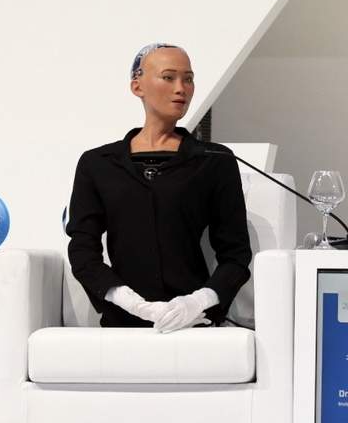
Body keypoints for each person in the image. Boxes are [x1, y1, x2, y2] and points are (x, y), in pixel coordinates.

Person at [65, 43, 251, 332]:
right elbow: (82, 250)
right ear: (137, 86)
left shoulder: (214, 160)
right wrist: (127, 301)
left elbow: (236, 254)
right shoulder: (98, 164)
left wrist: (200, 301)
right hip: (123, 325)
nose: (181, 88)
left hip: (193, 324)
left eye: (188, 79)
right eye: (168, 77)